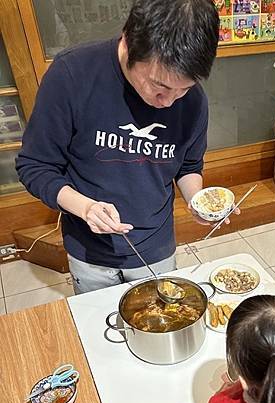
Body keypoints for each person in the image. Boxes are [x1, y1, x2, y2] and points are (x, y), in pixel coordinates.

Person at [16, 0, 220, 294]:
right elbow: (35, 166)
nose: (168, 101)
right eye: (158, 86)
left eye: (183, 89)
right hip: (90, 249)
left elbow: (188, 166)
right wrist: (85, 208)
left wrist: (197, 200)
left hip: (156, 246)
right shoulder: (73, 75)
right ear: (127, 43)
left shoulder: (193, 101)